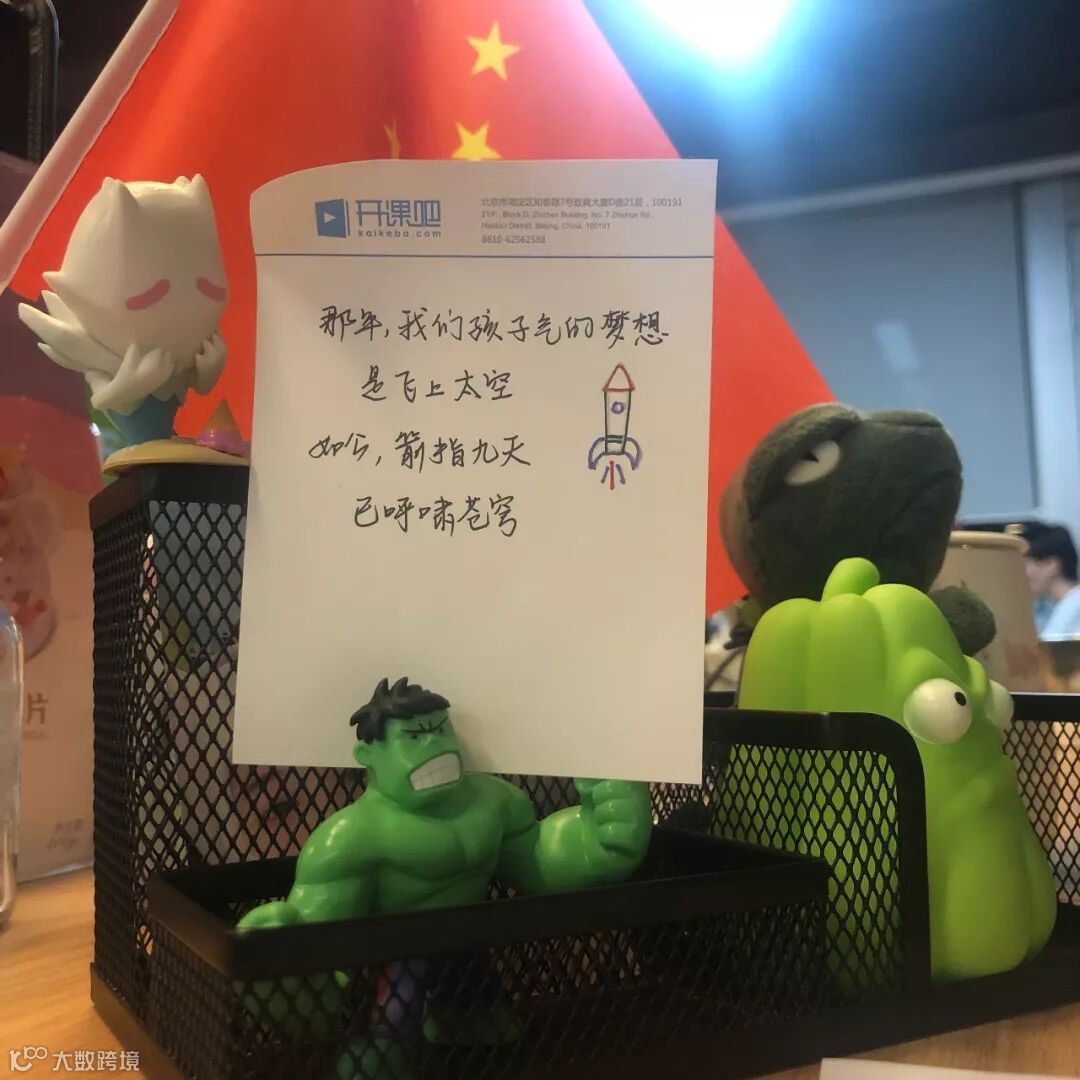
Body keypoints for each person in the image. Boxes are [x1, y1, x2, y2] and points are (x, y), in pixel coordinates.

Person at [1022, 523, 1080, 639]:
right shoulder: (1064, 607)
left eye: (1026, 564)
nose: (1023, 574)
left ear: (1050, 564)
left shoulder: (1074, 609)